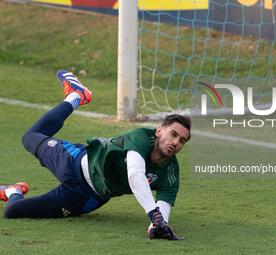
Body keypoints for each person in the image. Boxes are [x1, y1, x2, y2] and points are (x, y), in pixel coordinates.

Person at [0, 71, 191, 240]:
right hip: (72, 163)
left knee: (13, 211)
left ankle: (12, 190)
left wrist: (156, 227)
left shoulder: (171, 173)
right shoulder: (141, 137)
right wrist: (154, 215)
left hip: (85, 199)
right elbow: (135, 175)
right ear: (159, 131)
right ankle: (76, 96)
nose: (176, 142)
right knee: (31, 137)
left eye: (182, 140)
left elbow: (161, 214)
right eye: (173, 134)